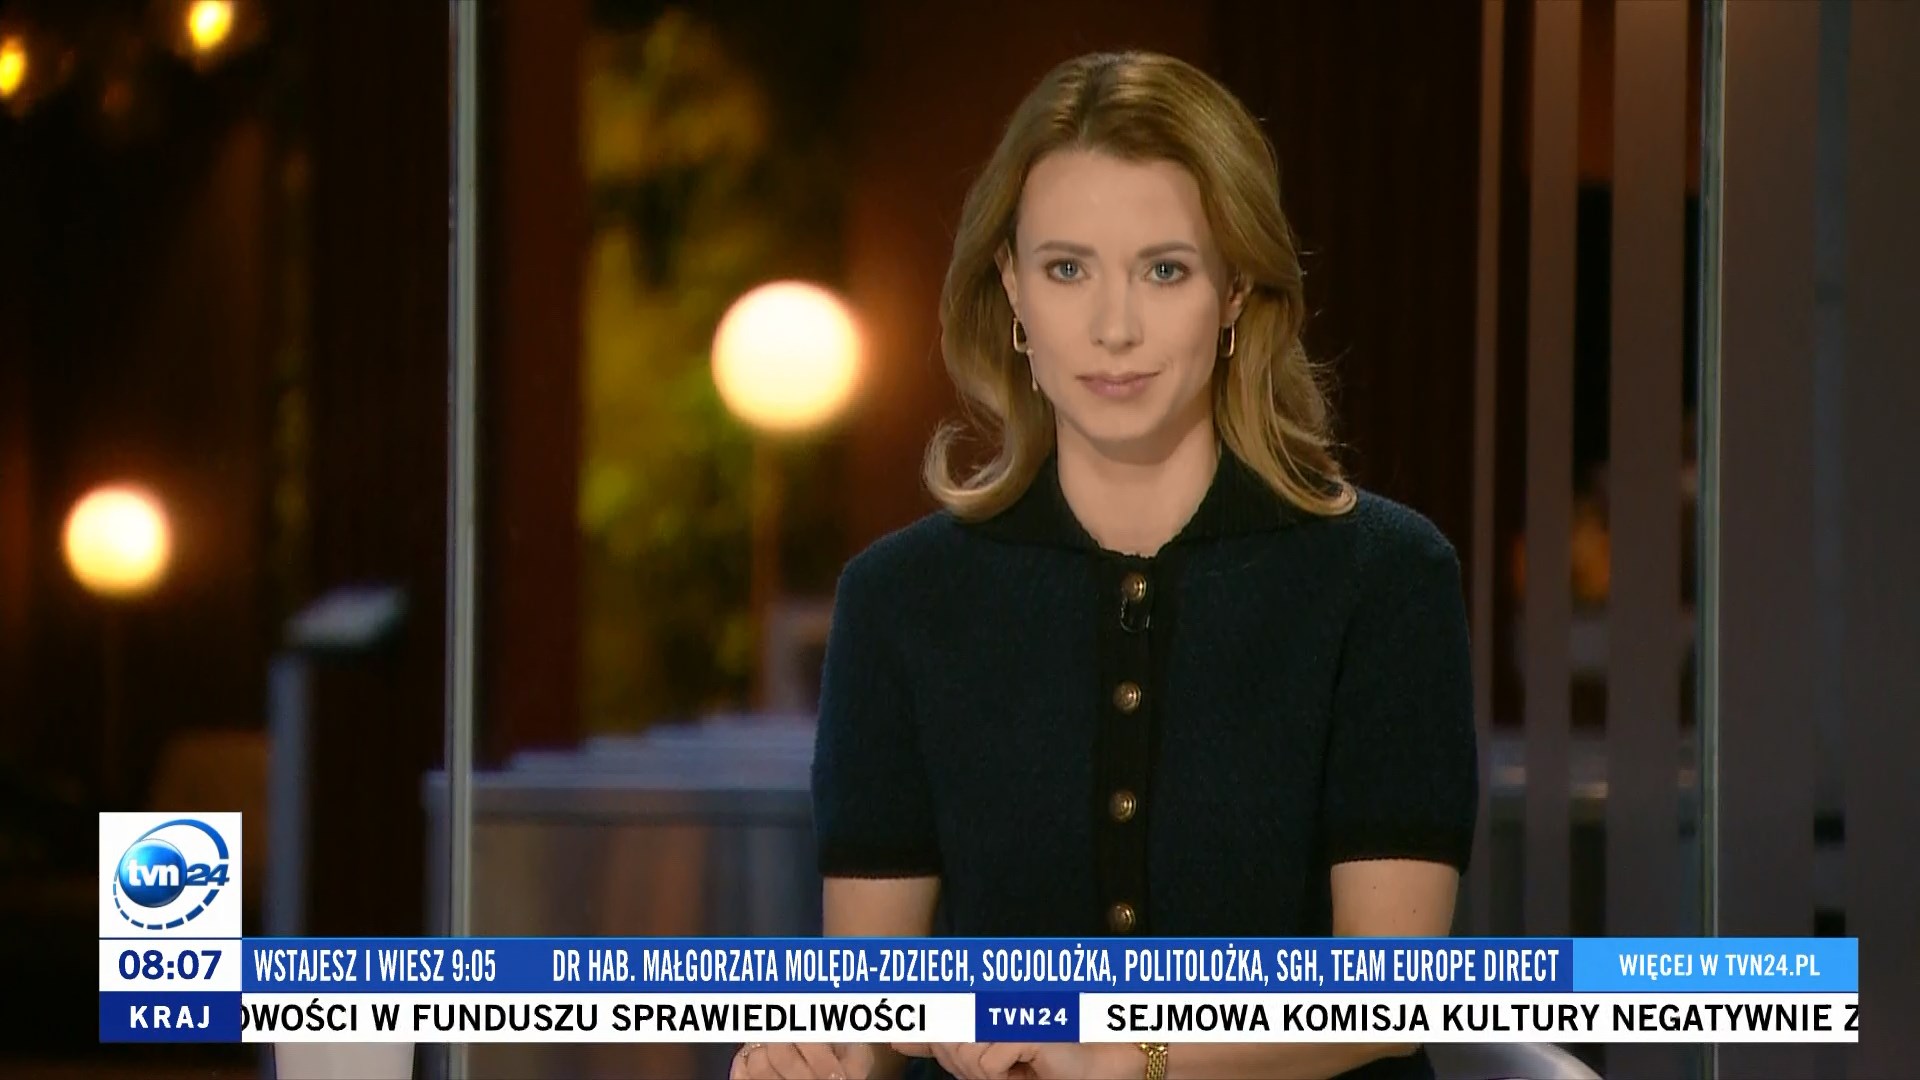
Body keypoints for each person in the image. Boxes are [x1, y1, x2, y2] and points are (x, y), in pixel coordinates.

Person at [734, 49, 1476, 1080]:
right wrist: (815, 1060)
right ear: (1012, 287)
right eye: (1067, 269)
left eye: (1164, 270)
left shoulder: (1383, 580)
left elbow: (1390, 991)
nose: (1114, 328)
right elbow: (871, 1003)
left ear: (1235, 290)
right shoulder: (900, 601)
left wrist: (1143, 1056)